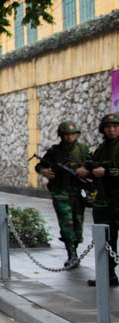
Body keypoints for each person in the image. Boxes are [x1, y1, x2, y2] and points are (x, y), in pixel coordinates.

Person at [35, 121, 92, 269]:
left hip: (78, 193)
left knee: (78, 224)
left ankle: (76, 246)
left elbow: (93, 165)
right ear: (61, 136)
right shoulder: (55, 152)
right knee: (66, 223)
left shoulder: (84, 149)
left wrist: (85, 171)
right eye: (66, 135)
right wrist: (43, 171)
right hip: (61, 192)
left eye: (72, 134)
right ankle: (71, 254)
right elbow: (40, 165)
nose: (69, 137)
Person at [77, 113, 119, 286]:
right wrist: (85, 172)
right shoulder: (102, 148)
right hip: (103, 200)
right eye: (108, 127)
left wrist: (107, 172)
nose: (112, 130)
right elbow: (93, 169)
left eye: (115, 126)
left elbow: (107, 171)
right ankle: (107, 275)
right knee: (105, 239)